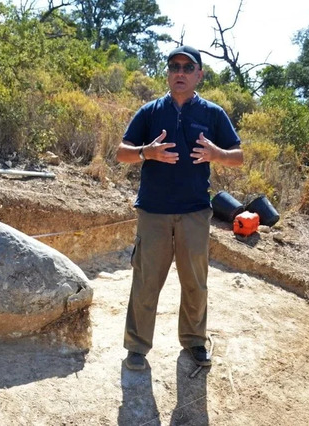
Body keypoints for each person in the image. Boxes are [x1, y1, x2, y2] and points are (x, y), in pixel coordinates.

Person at [115, 45, 244, 371]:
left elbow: (238, 157)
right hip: (153, 213)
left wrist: (217, 154)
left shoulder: (213, 114)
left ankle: (194, 342)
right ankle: (136, 347)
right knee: (145, 282)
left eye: (188, 67)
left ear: (199, 74)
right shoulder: (150, 112)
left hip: (195, 213)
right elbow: (121, 152)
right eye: (174, 66)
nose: (181, 72)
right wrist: (147, 152)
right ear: (168, 73)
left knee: (195, 283)